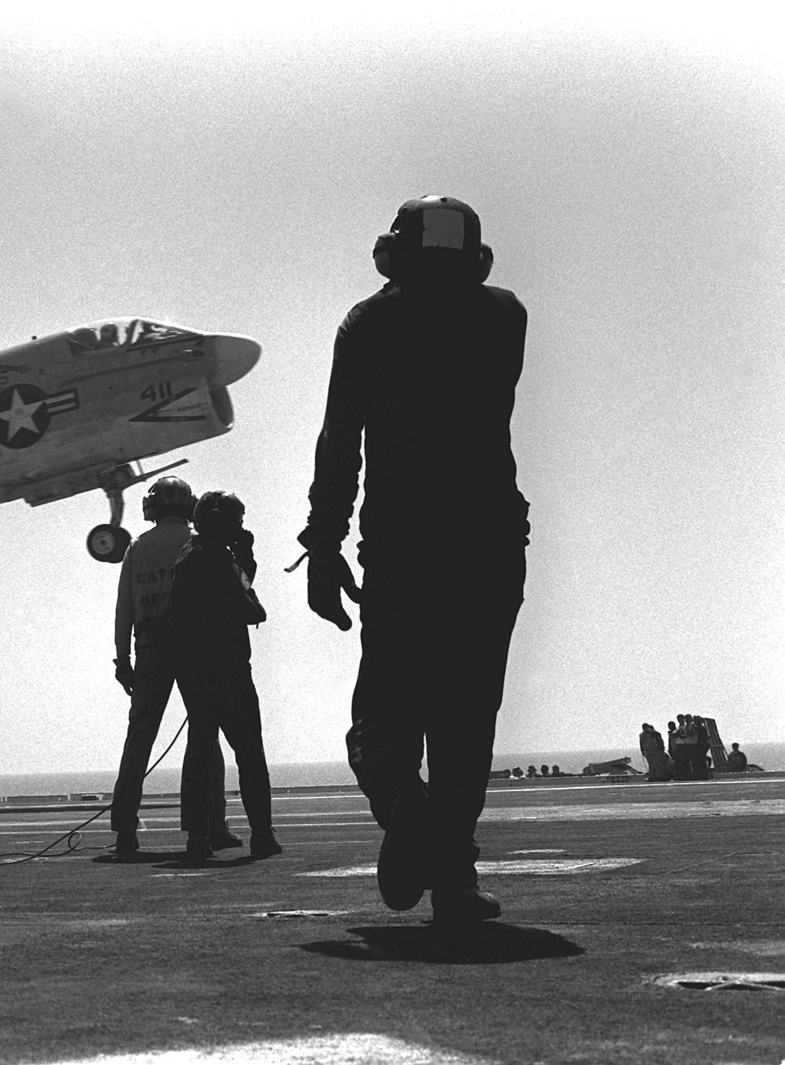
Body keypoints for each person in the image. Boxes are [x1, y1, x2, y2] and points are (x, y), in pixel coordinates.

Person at [298, 195, 528, 925]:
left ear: (392, 254)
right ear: (476, 258)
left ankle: (405, 804)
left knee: (380, 723)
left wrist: (322, 544)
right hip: (490, 547)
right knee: (467, 718)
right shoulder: (505, 318)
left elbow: (342, 443)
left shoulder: (371, 324)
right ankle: (455, 879)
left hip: (405, 548)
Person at [108, 476, 237, 858]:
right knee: (204, 735)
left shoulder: (137, 547)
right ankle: (211, 825)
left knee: (140, 737)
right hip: (196, 646)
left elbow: (124, 609)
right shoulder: (199, 543)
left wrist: (122, 659)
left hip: (150, 647)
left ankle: (125, 832)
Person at [169, 490, 281, 863]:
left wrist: (244, 559)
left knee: (200, 751)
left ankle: (197, 838)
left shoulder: (187, 558)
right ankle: (262, 834)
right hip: (229, 670)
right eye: (236, 522)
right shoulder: (217, 558)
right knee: (249, 752)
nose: (239, 529)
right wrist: (254, 596)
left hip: (194, 671)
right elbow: (249, 607)